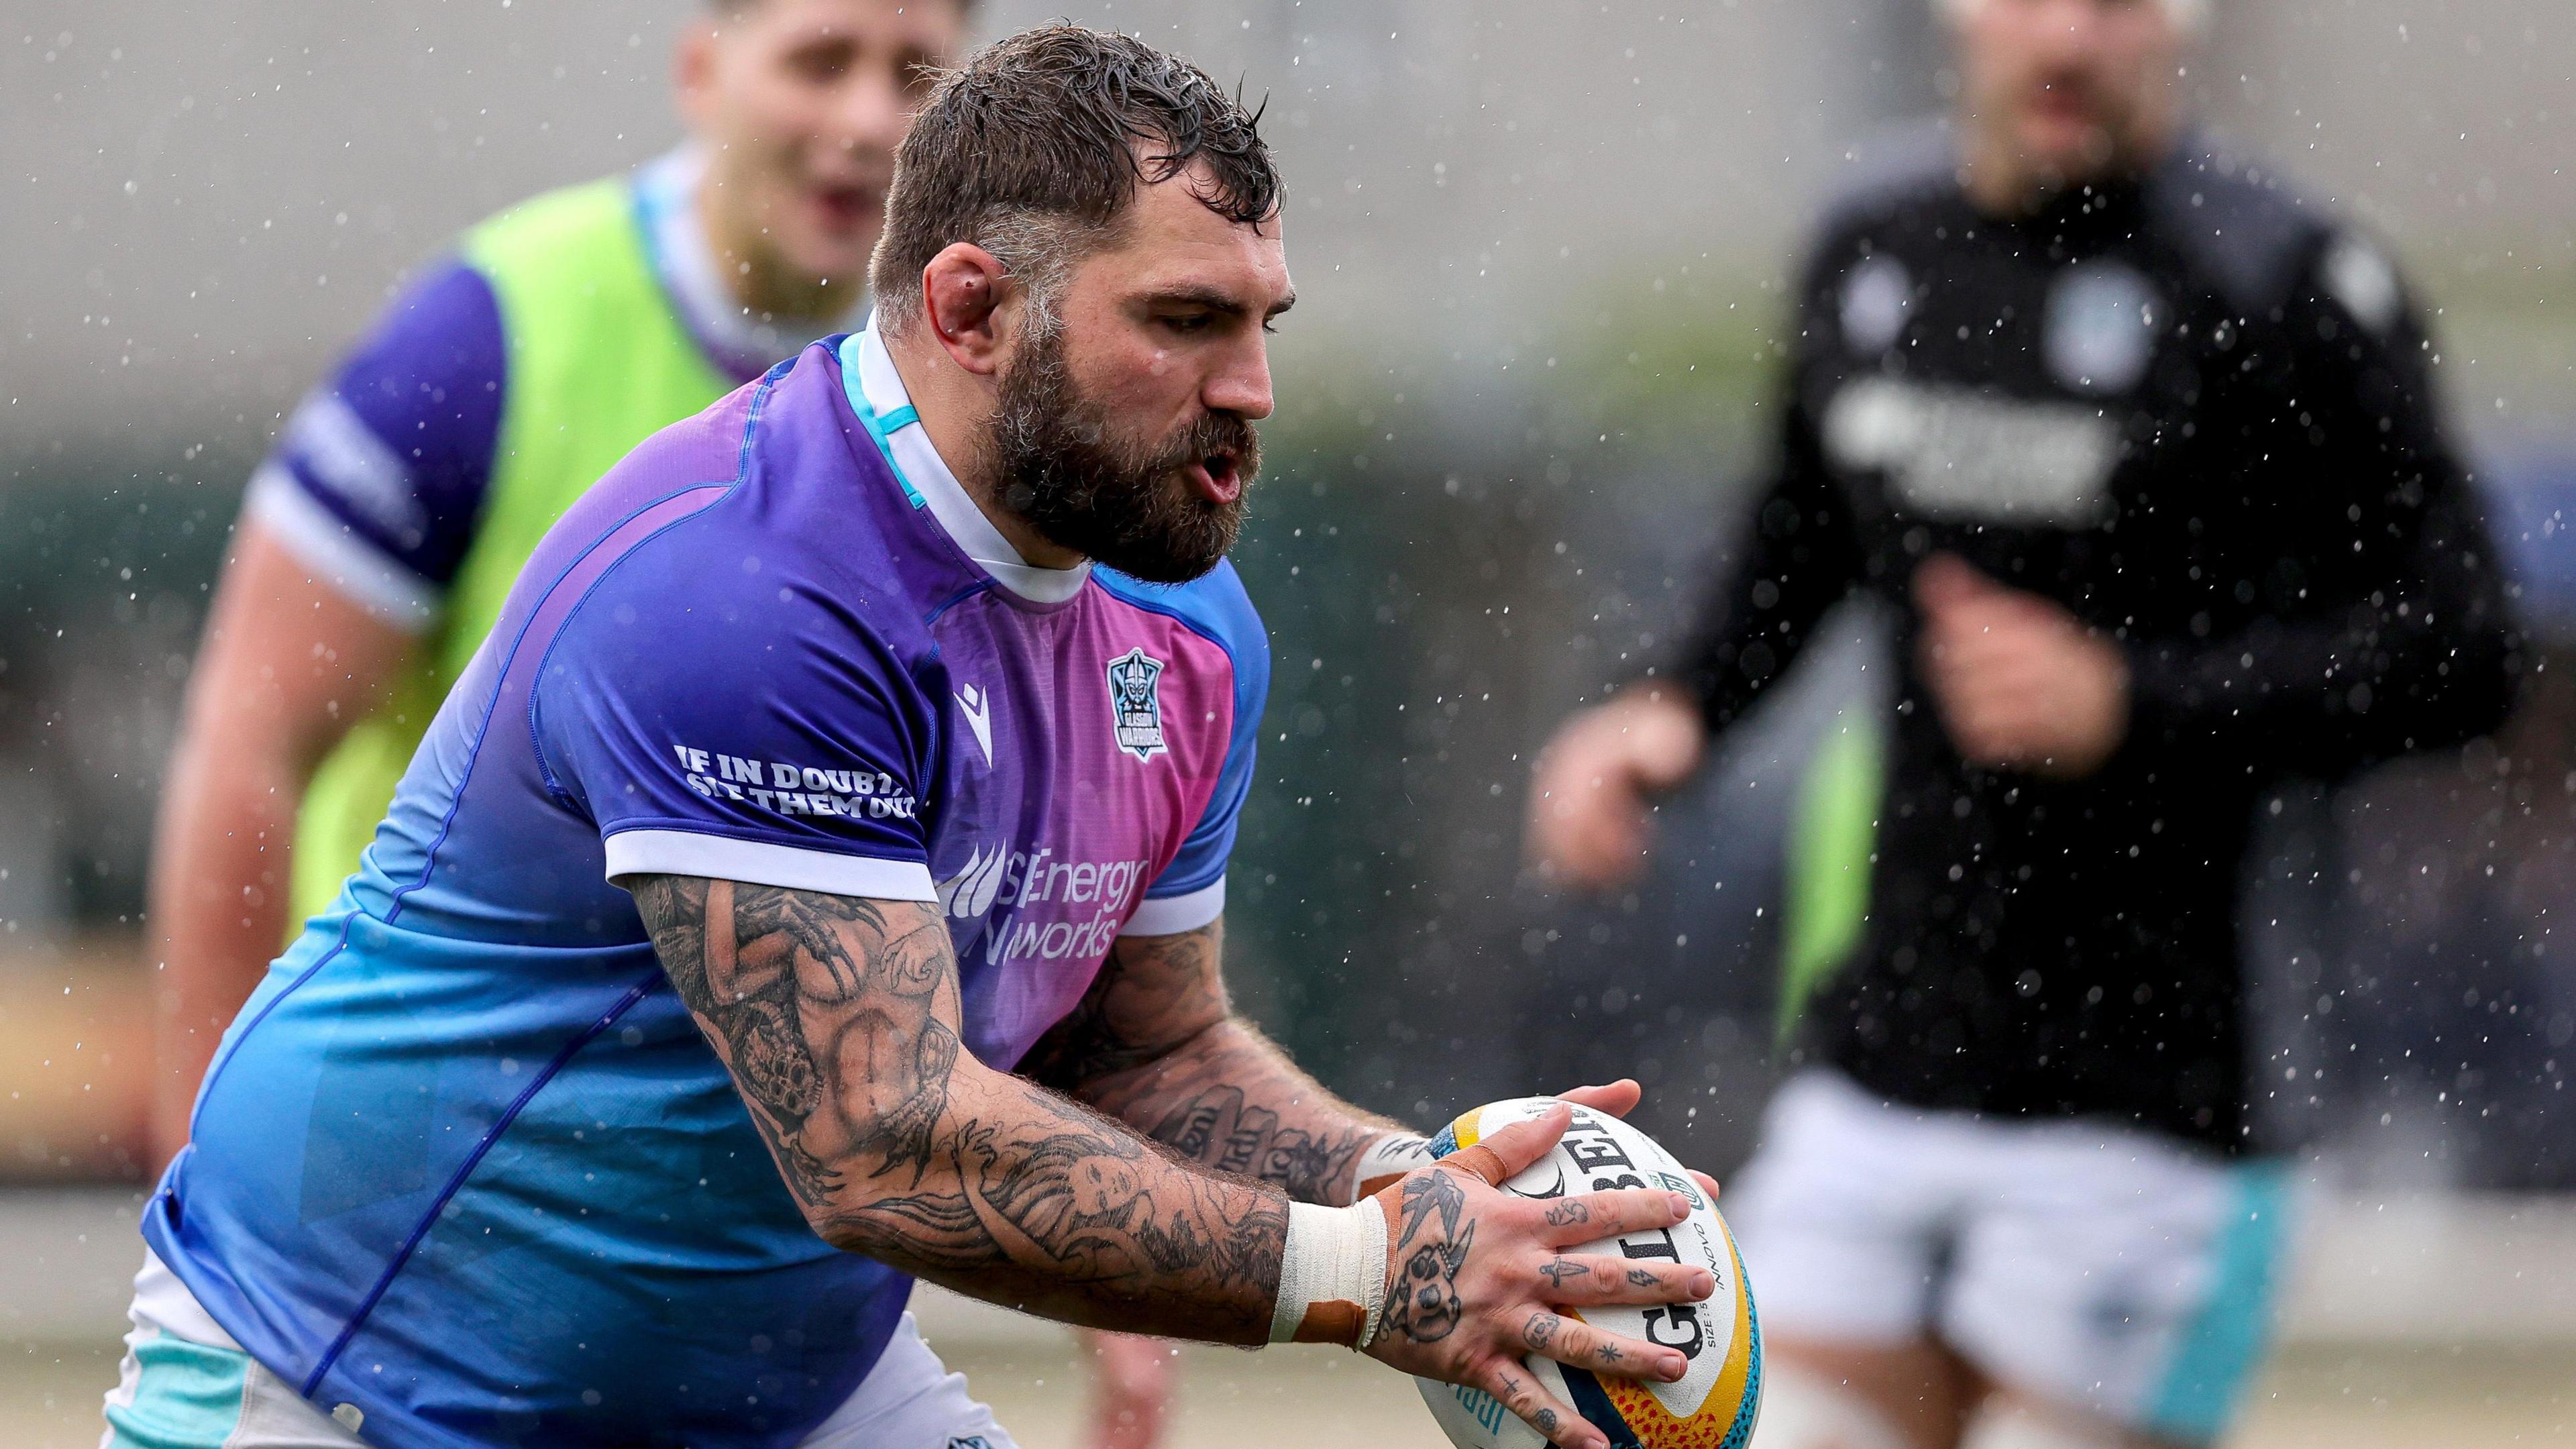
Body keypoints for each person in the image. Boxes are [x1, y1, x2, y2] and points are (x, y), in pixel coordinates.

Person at [114, 27, 1720, 1449]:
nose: (1252, 390)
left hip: (765, 1390)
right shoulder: (742, 585)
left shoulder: (1191, 617)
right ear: (971, 307)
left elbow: (1142, 1050)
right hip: (356, 1377)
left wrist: (1407, 1184)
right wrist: (1370, 1277)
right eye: (1182, 321)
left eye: (1264, 322)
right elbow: (883, 1147)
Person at [1525, 1, 2520, 1447]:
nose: (2066, 35)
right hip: (1886, 1071)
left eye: (2111, 1)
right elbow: (1800, 538)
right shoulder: (1875, 245)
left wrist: (2138, 706)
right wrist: (1669, 707)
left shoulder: (2289, 282)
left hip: (2159, 1109)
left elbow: (2464, 647)